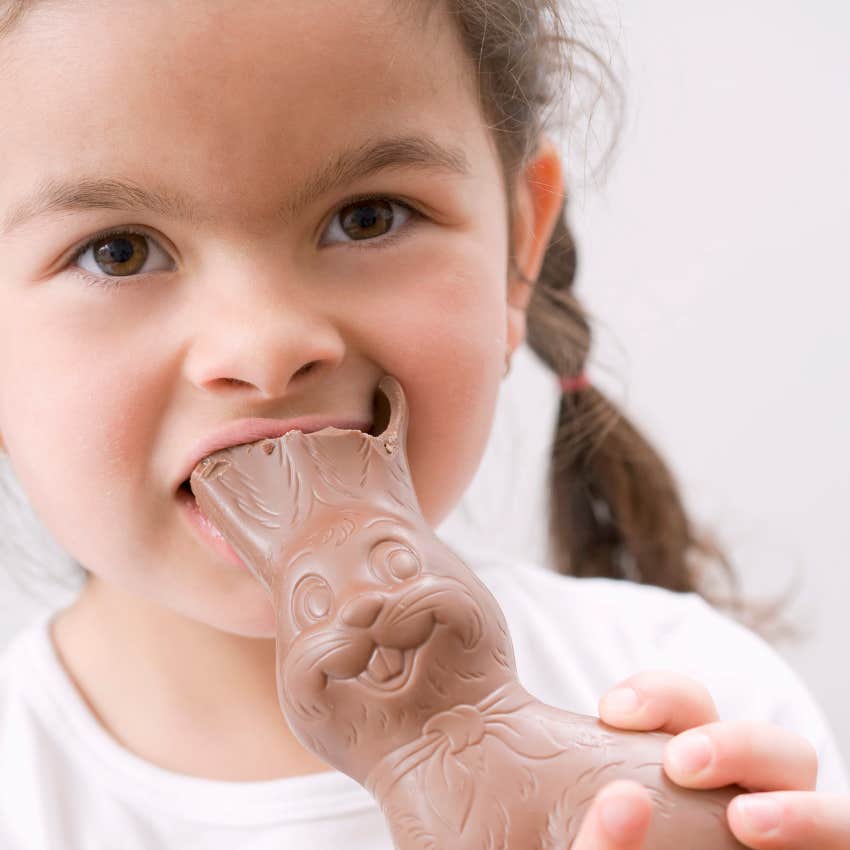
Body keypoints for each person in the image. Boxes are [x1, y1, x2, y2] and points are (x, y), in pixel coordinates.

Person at [0, 1, 846, 848]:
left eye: (368, 216)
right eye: (118, 251)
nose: (266, 348)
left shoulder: (701, 707)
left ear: (519, 252)